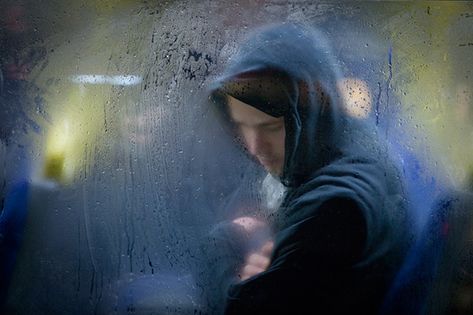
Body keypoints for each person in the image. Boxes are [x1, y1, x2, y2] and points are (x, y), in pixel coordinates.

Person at [208, 23, 414, 314]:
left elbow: (245, 310)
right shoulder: (345, 143)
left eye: (270, 127)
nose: (254, 148)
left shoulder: (336, 206)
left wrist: (226, 244)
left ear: (313, 112)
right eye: (242, 126)